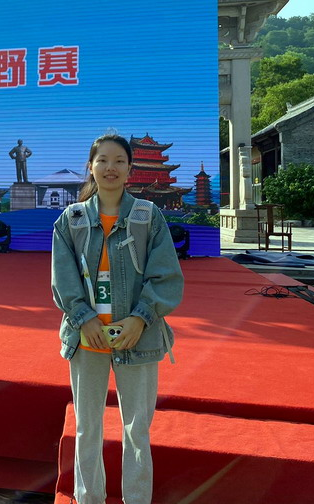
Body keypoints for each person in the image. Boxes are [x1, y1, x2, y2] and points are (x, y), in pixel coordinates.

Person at [51, 134, 183, 504]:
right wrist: (84, 318)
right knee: (87, 427)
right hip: (87, 338)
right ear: (91, 167)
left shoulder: (148, 217)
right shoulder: (72, 220)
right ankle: (88, 499)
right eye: (103, 160)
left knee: (137, 429)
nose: (111, 167)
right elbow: (63, 279)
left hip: (138, 336)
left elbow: (166, 276)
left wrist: (141, 319)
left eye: (119, 161)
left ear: (130, 168)